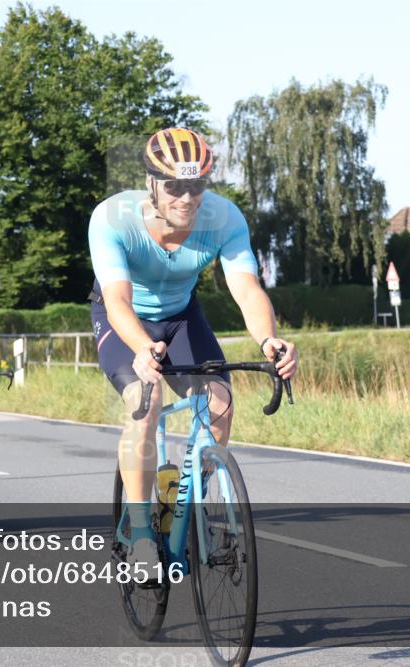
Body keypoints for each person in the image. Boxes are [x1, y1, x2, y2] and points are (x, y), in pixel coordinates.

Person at [88, 127, 298, 571]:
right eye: (174, 187)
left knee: (220, 403)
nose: (186, 198)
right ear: (151, 184)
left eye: (197, 185)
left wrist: (269, 340)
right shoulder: (113, 218)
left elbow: (246, 288)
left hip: (182, 316)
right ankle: (143, 534)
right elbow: (117, 301)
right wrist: (143, 349)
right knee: (144, 402)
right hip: (123, 318)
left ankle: (191, 499)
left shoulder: (224, 218)